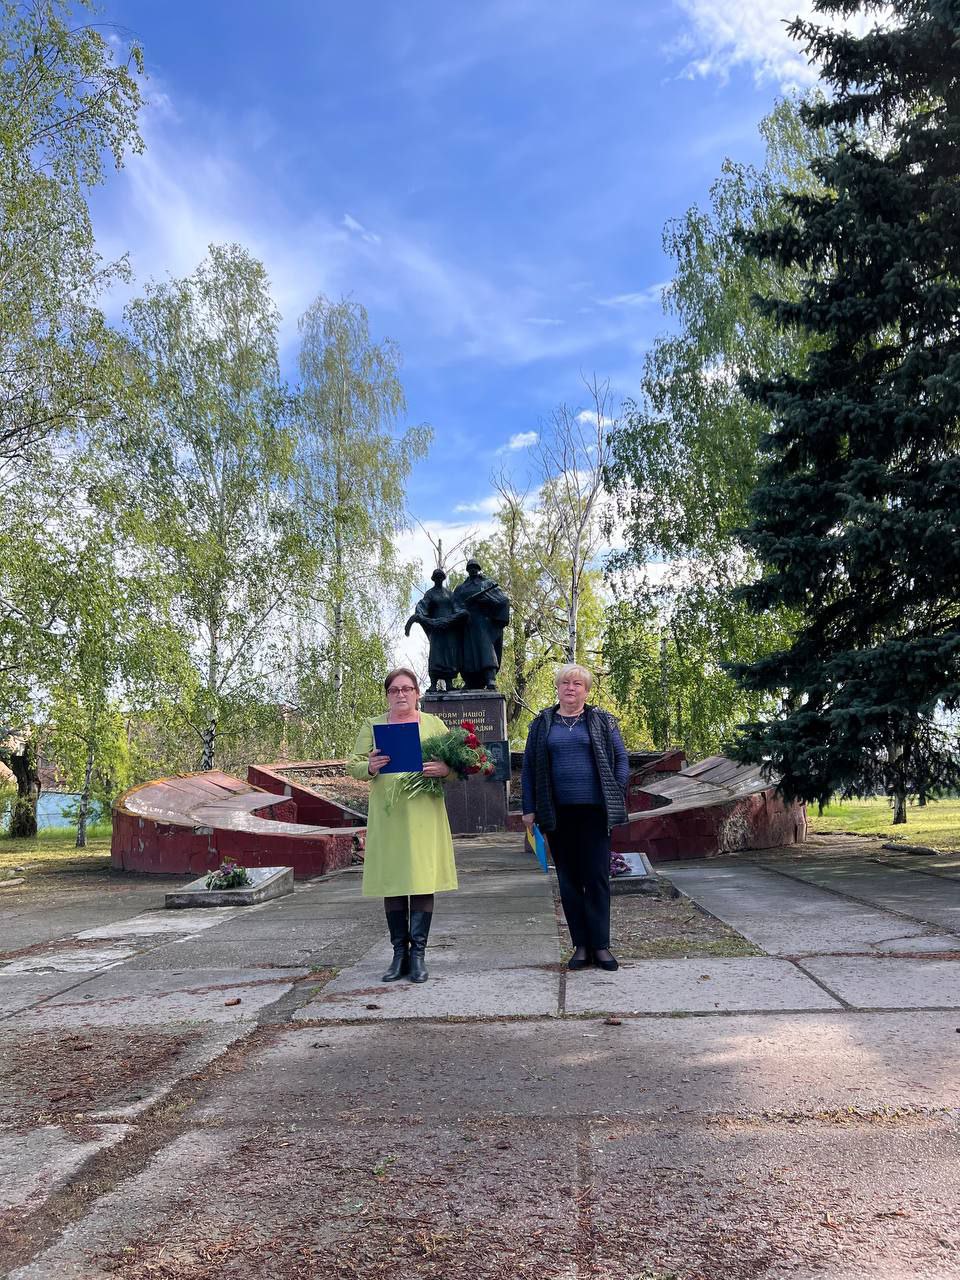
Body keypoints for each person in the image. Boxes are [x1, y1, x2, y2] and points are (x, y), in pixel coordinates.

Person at [348, 667, 457, 983]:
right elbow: (353, 764)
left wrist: (445, 769)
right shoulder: (373, 725)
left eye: (407, 689)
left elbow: (457, 765)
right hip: (389, 815)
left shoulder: (434, 724)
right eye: (394, 690)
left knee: (422, 881)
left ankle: (418, 956)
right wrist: (369, 766)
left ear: (417, 693)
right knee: (393, 881)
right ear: (387, 695)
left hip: (425, 813)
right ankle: (399, 955)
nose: (401, 695)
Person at [521, 664, 628, 971]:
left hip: (595, 812)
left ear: (586, 691)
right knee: (568, 880)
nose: (570, 688)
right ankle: (581, 946)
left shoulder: (603, 720)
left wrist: (616, 788)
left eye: (577, 684)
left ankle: (601, 946)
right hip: (557, 813)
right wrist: (529, 808)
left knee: (596, 878)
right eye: (565, 683)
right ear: (557, 687)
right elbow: (529, 768)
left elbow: (621, 758)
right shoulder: (542, 723)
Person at [404, 568, 466, 693]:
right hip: (436, 630)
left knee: (449, 655)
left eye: (440, 577)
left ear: (443, 578)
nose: (439, 579)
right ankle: (433, 683)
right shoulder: (430, 594)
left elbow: (457, 608)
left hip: (449, 629)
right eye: (436, 577)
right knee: (436, 655)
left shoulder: (449, 594)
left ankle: (449, 683)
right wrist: (420, 617)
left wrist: (458, 615)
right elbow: (422, 606)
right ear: (434, 579)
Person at [451, 558, 510, 689]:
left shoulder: (488, 584)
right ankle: (470, 681)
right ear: (467, 570)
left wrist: (488, 601)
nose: (473, 570)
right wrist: (461, 611)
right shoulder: (461, 588)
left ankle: (490, 678)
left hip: (484, 623)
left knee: (486, 650)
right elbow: (454, 604)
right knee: (467, 653)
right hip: (466, 624)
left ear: (478, 569)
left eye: (475, 567)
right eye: (470, 568)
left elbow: (503, 600)